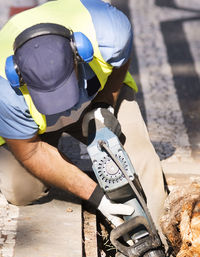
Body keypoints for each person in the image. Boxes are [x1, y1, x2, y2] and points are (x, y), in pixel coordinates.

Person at [0, 0, 167, 232]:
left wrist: (105, 103)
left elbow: (121, 59)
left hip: (95, 97)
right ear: (17, 76)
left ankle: (165, 236)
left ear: (79, 52)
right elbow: (30, 152)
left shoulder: (109, 32)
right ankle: (60, 157)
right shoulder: (3, 90)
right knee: (21, 189)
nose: (64, 109)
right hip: (36, 128)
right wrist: (98, 197)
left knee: (141, 160)